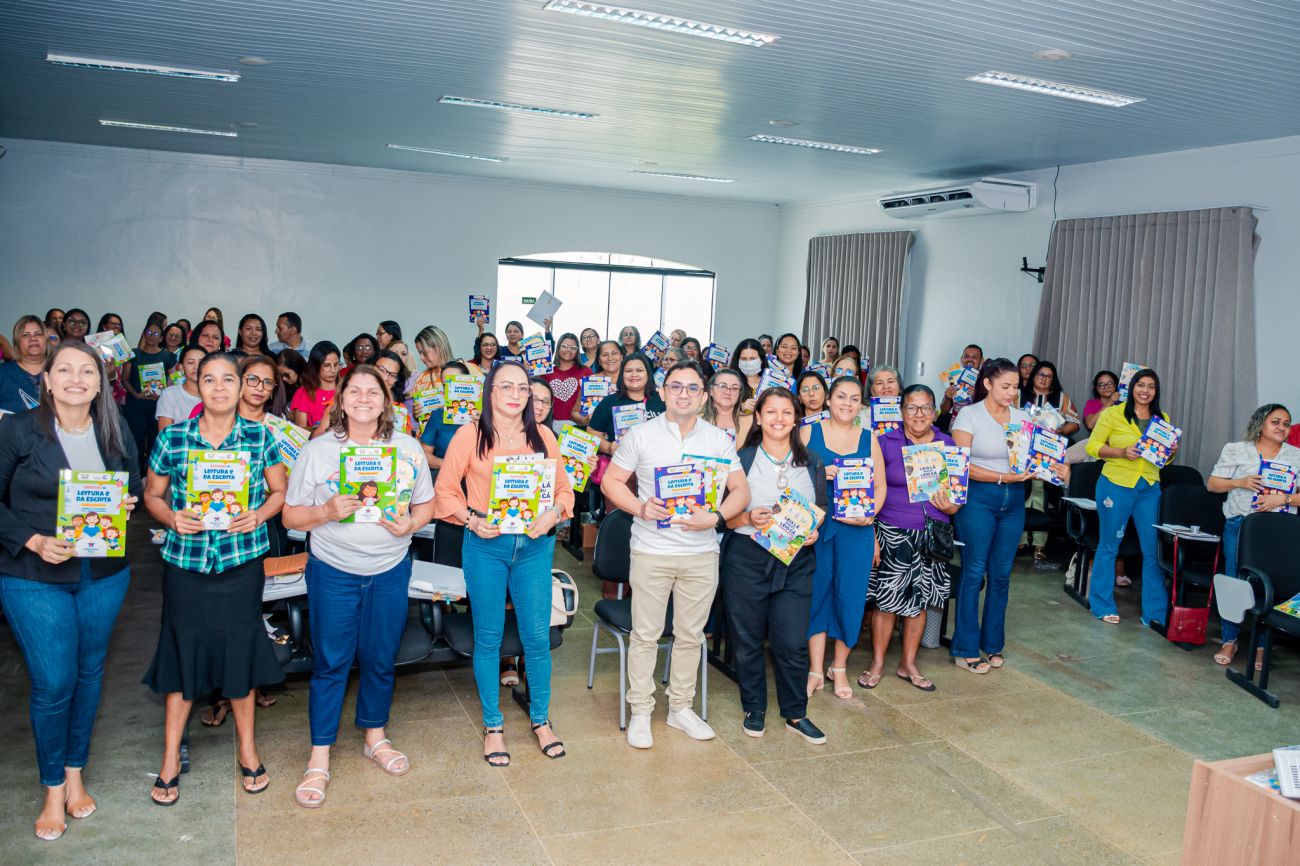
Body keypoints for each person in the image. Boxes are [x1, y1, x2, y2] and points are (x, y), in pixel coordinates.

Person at [0, 341, 141, 841]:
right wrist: (34, 540)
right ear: (47, 379)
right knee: (53, 682)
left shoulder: (113, 429)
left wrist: (125, 503)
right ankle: (53, 786)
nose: (76, 379)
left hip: (102, 574)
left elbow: (133, 483)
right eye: (65, 370)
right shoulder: (18, 430)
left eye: (87, 371)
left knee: (88, 673)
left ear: (101, 383)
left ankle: (76, 770)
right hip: (33, 576)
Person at [284, 364, 435, 807]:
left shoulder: (406, 448)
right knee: (331, 662)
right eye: (355, 391)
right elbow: (291, 515)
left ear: (387, 400)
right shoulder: (318, 451)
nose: (364, 399)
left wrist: (411, 523)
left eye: (374, 391)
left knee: (381, 658)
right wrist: (326, 512)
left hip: (390, 569)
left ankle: (375, 736)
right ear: (341, 399)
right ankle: (319, 756)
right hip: (334, 571)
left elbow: (425, 504)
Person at [141, 351, 287, 804]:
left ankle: (247, 750)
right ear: (196, 385)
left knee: (240, 653)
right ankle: (169, 758)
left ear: (241, 386)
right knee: (181, 654)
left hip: (240, 564)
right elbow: (152, 495)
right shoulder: (175, 438)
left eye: (228, 379)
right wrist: (171, 517)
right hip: (186, 565)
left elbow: (279, 491)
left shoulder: (259, 436)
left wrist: (258, 515)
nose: (219, 387)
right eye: (209, 379)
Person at [601, 361, 749, 749]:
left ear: (703, 396)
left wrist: (715, 517)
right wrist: (639, 507)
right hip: (652, 551)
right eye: (676, 387)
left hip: (701, 554)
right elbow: (611, 481)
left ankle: (680, 708)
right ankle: (641, 711)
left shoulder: (718, 440)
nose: (684, 394)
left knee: (690, 635)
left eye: (692, 388)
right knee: (646, 635)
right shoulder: (641, 434)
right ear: (663, 392)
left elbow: (741, 491)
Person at [433, 362, 574, 766]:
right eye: (505, 386)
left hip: (534, 547)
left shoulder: (543, 435)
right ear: (490, 391)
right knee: (489, 638)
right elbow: (445, 490)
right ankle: (493, 726)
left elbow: (564, 490)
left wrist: (554, 514)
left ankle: (541, 720)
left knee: (537, 638)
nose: (515, 394)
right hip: (485, 546)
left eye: (522, 388)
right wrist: (471, 520)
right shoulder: (470, 434)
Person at [723, 386, 825, 741]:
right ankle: (754, 707)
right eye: (771, 412)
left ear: (796, 418)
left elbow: (821, 508)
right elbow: (725, 519)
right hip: (746, 559)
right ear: (758, 417)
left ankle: (796, 713)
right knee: (747, 638)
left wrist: (813, 530)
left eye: (786, 412)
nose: (778, 419)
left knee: (792, 641)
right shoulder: (741, 459)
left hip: (795, 562)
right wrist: (748, 517)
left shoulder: (812, 461)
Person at [863, 384, 960, 692]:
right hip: (892, 531)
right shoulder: (884, 442)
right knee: (886, 602)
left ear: (934, 411)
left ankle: (908, 663)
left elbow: (957, 496)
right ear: (901, 411)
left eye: (926, 407)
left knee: (921, 600)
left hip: (932, 534)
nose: (919, 414)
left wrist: (951, 506)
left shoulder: (947, 444)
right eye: (912, 407)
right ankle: (878, 662)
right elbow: (868, 490)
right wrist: (871, 534)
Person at [949, 358, 1034, 673]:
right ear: (987, 384)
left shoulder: (1022, 417)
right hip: (978, 499)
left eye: (1016, 387)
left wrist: (1051, 464)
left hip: (1014, 501)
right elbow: (962, 465)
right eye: (1005, 386)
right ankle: (965, 648)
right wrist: (1002, 477)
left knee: (1001, 575)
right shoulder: (969, 415)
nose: (1012, 392)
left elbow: (1032, 457)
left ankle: (993, 644)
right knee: (974, 573)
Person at [801, 376, 882, 698]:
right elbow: (791, 478)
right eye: (841, 396)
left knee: (850, 598)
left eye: (854, 398)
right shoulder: (808, 432)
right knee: (816, 594)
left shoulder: (869, 438)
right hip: (818, 528)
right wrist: (819, 473)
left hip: (856, 531)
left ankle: (839, 667)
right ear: (828, 400)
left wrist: (870, 514)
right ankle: (815, 669)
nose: (847, 404)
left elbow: (880, 487)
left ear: (861, 405)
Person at [1207, 404, 1300, 666]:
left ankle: (1261, 645)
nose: (1282, 427)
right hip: (1240, 525)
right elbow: (1212, 484)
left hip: (1278, 529)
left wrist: (1284, 498)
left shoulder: (1296, 455)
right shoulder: (1236, 449)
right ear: (1260, 424)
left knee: (1270, 584)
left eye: (1286, 423)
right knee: (1235, 581)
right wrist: (1240, 482)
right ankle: (1230, 640)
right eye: (1275, 422)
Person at [1084, 368, 1173, 628]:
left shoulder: (1162, 418)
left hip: (1149, 487)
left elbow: (1164, 459)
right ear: (1132, 387)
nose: (1145, 390)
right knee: (1109, 546)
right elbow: (1092, 446)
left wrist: (1170, 452)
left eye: (1151, 386)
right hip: (1116, 484)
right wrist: (1122, 452)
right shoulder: (1113, 413)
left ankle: (1154, 613)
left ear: (1156, 391)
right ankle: (1101, 605)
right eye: (1140, 385)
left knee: (1152, 551)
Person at [1019, 360, 1079, 560]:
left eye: (1049, 376)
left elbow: (1075, 423)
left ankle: (1039, 545)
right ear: (1033, 375)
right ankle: (1018, 540)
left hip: (1047, 452)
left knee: (1040, 494)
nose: (1044, 379)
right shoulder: (1018, 395)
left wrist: (1059, 431)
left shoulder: (1060, 398)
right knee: (1021, 493)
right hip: (1021, 451)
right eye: (1041, 374)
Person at [588, 353, 666, 458]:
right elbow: (592, 431)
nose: (634, 374)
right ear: (622, 375)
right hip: (621, 463)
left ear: (648, 373)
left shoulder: (662, 399)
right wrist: (609, 448)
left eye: (639, 370)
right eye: (628, 371)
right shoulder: (609, 401)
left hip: (658, 461)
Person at [123, 321, 170, 473]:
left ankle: (152, 475)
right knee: (135, 442)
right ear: (144, 334)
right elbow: (125, 379)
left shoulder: (167, 356)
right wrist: (136, 394)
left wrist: (163, 393)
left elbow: (172, 379)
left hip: (158, 407)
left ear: (161, 338)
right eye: (148, 332)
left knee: (155, 442)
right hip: (135, 406)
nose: (151, 336)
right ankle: (136, 474)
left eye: (156, 333)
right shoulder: (133, 354)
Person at [543, 333, 590, 434]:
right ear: (558, 347)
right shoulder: (547, 372)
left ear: (577, 351)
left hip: (578, 426)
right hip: (551, 424)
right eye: (564, 346)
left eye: (573, 347)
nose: (568, 350)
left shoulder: (586, 372)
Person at [0, 316, 48, 413]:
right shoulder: (2, 373)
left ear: (46, 339)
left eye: (38, 334)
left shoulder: (61, 371)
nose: (33, 338)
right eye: (25, 335)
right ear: (17, 342)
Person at [571, 340, 625, 427]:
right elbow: (574, 413)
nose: (610, 358)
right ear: (599, 360)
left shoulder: (633, 380)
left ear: (621, 356)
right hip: (595, 433)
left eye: (614, 353)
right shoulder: (590, 382)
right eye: (605, 355)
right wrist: (585, 420)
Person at [289, 341, 341, 430]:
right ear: (315, 366)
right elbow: (301, 432)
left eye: (336, 365)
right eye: (327, 366)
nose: (333, 370)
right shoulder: (304, 393)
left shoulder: (346, 388)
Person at [156, 345, 205, 430]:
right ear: (181, 368)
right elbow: (165, 434)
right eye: (190, 362)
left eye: (201, 362)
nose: (196, 367)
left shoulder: (217, 394)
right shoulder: (169, 395)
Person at [701, 367, 751, 443]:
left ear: (739, 394)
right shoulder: (695, 421)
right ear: (711, 390)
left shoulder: (750, 422)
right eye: (723, 386)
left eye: (734, 388)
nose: (728, 392)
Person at [939, 343, 985, 419]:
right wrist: (948, 398)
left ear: (982, 361)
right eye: (966, 356)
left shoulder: (987, 382)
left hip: (977, 425)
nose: (969, 359)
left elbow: (992, 412)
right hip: (956, 424)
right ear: (961, 359)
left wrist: (977, 397)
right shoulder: (954, 378)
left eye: (974, 357)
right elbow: (944, 411)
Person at [731, 338, 766, 413]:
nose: (748, 363)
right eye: (743, 359)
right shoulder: (731, 384)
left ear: (761, 360)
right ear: (738, 361)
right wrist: (741, 407)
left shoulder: (769, 383)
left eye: (752, 358)